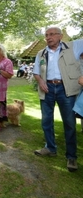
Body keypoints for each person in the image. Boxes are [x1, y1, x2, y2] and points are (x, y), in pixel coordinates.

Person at [33, 26, 83, 172]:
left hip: (65, 89)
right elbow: (36, 72)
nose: (49, 37)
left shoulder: (74, 46)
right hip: (47, 89)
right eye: (46, 35)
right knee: (46, 121)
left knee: (69, 123)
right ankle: (50, 148)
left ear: (60, 36)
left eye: (52, 34)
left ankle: (71, 156)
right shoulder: (41, 53)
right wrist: (40, 81)